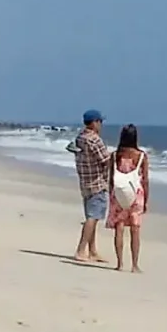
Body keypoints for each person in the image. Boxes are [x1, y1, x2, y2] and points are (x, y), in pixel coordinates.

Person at [106, 124, 151, 272]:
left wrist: (111, 194)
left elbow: (111, 178)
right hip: (136, 194)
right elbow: (144, 179)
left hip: (119, 193)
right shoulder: (141, 156)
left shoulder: (114, 155)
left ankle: (120, 264)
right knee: (135, 230)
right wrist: (146, 200)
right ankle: (135, 265)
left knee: (119, 228)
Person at [68, 110, 110, 263]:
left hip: (85, 182)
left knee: (91, 217)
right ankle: (81, 250)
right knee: (93, 218)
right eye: (100, 122)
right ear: (94, 122)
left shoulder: (80, 138)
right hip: (97, 183)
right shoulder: (94, 140)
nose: (101, 125)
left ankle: (92, 251)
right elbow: (106, 160)